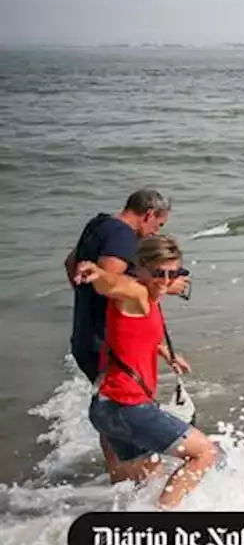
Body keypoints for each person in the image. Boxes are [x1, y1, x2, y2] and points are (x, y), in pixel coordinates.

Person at [72, 235, 219, 509]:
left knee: (148, 481)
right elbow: (115, 284)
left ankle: (135, 530)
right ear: (139, 267)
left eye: (172, 273)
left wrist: (167, 353)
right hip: (128, 407)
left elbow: (135, 334)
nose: (164, 280)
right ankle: (163, 522)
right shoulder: (136, 293)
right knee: (204, 453)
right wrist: (98, 273)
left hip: (106, 409)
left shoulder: (148, 299)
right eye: (158, 273)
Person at [64, 189, 187, 477]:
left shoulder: (98, 224)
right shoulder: (123, 235)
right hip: (104, 340)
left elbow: (71, 264)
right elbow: (113, 281)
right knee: (124, 406)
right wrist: (164, 287)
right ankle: (134, 480)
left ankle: (121, 478)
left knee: (114, 412)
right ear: (148, 215)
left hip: (85, 333)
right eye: (158, 225)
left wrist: (87, 307)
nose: (155, 233)